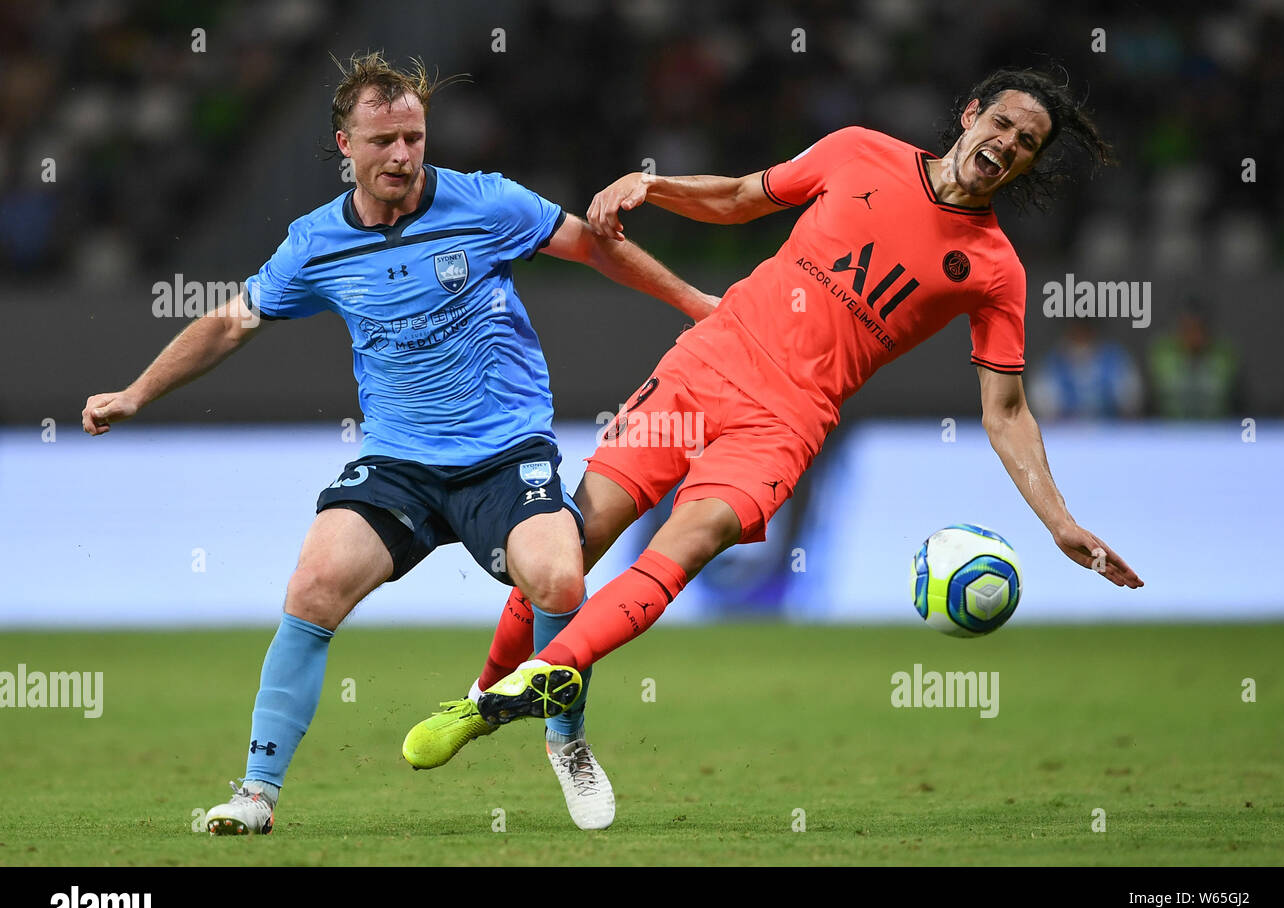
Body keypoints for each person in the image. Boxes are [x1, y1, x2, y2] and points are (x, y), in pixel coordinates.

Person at [407, 67, 1145, 750]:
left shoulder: (994, 271)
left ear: (1026, 164)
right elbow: (739, 197)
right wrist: (653, 185)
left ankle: (549, 673)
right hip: (710, 363)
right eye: (1005, 124)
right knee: (573, 541)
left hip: (787, 422)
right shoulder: (859, 151)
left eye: (1027, 144)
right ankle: (481, 699)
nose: (1008, 145)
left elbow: (1006, 411)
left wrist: (1059, 522)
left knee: (691, 541)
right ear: (971, 113)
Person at [80, 52, 716, 834]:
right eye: (383, 141)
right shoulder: (314, 244)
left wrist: (693, 302)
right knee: (312, 588)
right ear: (344, 145)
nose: (403, 156)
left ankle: (566, 739)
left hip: (504, 452)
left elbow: (592, 245)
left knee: (558, 577)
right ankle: (254, 794)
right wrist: (136, 393)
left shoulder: (487, 203)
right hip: (398, 465)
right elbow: (229, 321)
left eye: (414, 137)